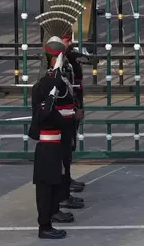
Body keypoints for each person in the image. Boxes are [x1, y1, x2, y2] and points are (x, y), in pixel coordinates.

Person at [28, 36, 74, 239]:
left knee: (53, 184)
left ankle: (49, 219)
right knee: (45, 191)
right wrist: (51, 98)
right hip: (47, 148)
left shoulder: (47, 89)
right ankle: (44, 226)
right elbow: (48, 113)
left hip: (51, 147)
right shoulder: (45, 98)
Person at [61, 33, 86, 193]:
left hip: (75, 103)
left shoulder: (69, 56)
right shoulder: (59, 61)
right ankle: (64, 182)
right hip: (67, 108)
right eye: (67, 40)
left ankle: (67, 178)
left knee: (70, 145)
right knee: (65, 146)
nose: (70, 42)